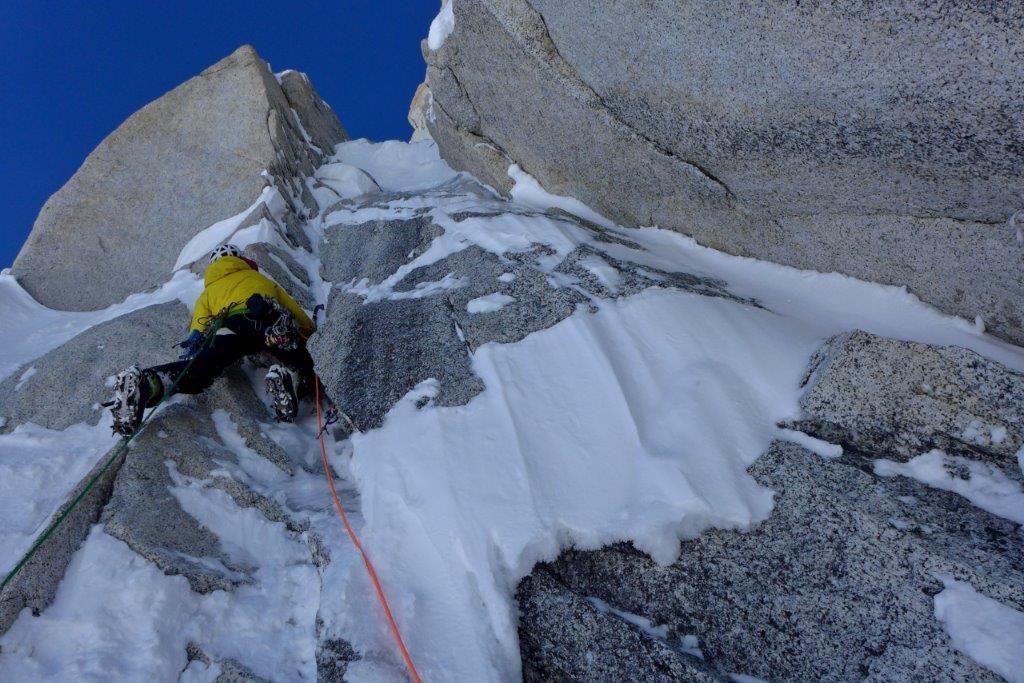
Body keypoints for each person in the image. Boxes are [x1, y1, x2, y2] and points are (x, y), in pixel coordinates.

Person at [107, 244, 317, 436]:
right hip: (262, 318)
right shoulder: (259, 279)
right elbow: (292, 307)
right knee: (296, 355)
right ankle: (289, 377)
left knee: (200, 368)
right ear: (239, 259)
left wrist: (194, 343)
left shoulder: (208, 292)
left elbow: (198, 324)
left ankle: (149, 382)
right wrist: (310, 329)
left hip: (229, 328)